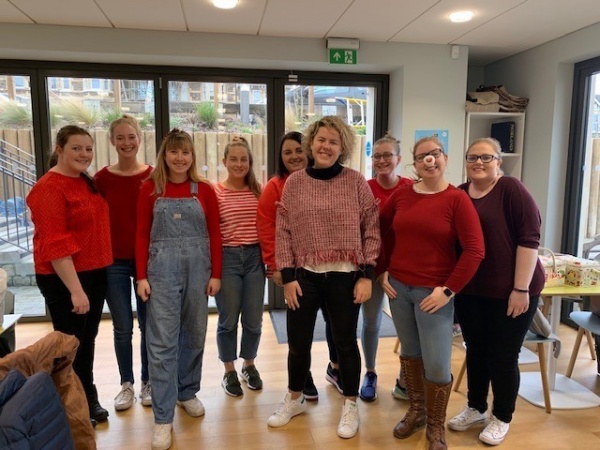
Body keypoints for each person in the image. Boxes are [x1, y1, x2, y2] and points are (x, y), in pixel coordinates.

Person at [267, 116, 380, 439]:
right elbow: (283, 231)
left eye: (333, 141)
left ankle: (350, 403)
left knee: (345, 343)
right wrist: (288, 276)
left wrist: (366, 274)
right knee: (298, 344)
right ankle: (295, 396)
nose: (326, 146)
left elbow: (371, 229)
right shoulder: (296, 182)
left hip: (346, 276)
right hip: (304, 277)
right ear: (311, 144)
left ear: (342, 147)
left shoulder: (356, 181)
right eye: (321, 140)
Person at [379, 136, 484, 450]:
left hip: (434, 294)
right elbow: (381, 231)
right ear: (414, 163)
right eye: (422, 156)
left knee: (437, 364)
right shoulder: (401, 196)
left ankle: (436, 425)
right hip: (398, 289)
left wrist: (449, 291)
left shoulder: (457, 200)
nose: (429, 160)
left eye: (434, 154)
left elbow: (475, 251)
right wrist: (381, 269)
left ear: (445, 158)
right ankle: (417, 411)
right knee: (410, 354)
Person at [448, 137, 545, 446]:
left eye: (486, 157)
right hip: (473, 291)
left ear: (498, 161)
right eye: (473, 157)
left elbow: (529, 239)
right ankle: (476, 407)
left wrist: (520, 288)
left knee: (503, 356)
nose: (479, 162)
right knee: (475, 351)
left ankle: (501, 416)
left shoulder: (511, 189)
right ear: (465, 161)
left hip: (512, 291)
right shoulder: (461, 193)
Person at [135, 129, 222, 450]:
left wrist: (217, 274)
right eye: (174, 152)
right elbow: (142, 234)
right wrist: (141, 276)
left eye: (185, 152)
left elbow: (214, 233)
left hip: (200, 270)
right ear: (164, 155)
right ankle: (162, 417)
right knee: (161, 341)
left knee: (195, 331)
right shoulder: (149, 189)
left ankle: (187, 391)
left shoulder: (205, 190)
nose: (180, 158)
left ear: (192, 156)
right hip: (160, 271)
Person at [27, 125, 112, 426]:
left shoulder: (84, 180)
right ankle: (70, 405)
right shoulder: (49, 187)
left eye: (88, 148)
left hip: (94, 271)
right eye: (76, 148)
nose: (84, 154)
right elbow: (55, 244)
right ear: (59, 149)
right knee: (69, 345)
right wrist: (76, 291)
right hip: (66, 277)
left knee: (85, 341)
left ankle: (84, 395)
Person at [257, 131, 341, 401]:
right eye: (287, 152)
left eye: (297, 150)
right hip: (295, 270)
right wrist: (277, 266)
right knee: (300, 328)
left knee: (333, 320)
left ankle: (335, 367)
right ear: (281, 158)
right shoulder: (275, 186)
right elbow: (267, 228)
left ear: (307, 150)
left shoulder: (327, 181)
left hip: (329, 267)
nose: (293, 156)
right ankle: (303, 378)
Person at [95, 114, 153, 411]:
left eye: (131, 137)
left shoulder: (154, 176)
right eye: (120, 137)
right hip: (113, 262)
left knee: (148, 325)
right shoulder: (101, 179)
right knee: (122, 327)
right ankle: (126, 384)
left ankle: (147, 382)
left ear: (139, 139)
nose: (126, 142)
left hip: (147, 262)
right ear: (112, 141)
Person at [360, 132, 413, 403]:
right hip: (371, 267)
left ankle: (406, 378)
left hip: (402, 269)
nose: (382, 160)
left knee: (405, 328)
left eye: (387, 155)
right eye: (377, 156)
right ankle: (369, 373)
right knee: (371, 322)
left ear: (398, 159)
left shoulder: (411, 188)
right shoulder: (364, 187)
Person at [215, 136, 265, 397]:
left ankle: (249, 364)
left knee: (254, 319)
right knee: (228, 320)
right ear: (224, 161)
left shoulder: (259, 190)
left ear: (250, 162)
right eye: (233, 159)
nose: (238, 164)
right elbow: (211, 232)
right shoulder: (216, 192)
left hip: (255, 258)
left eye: (243, 159)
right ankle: (229, 371)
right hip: (228, 259)